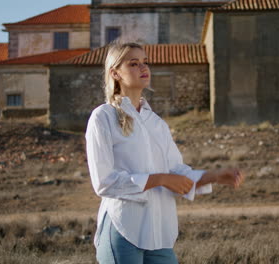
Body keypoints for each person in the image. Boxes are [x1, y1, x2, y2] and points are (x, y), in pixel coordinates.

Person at [85, 42, 245, 264]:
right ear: (115, 73)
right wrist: (160, 179)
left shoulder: (157, 123)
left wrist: (214, 176)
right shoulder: (103, 117)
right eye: (133, 63)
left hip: (160, 233)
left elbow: (177, 172)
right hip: (123, 230)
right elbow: (104, 182)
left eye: (145, 62)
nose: (143, 67)